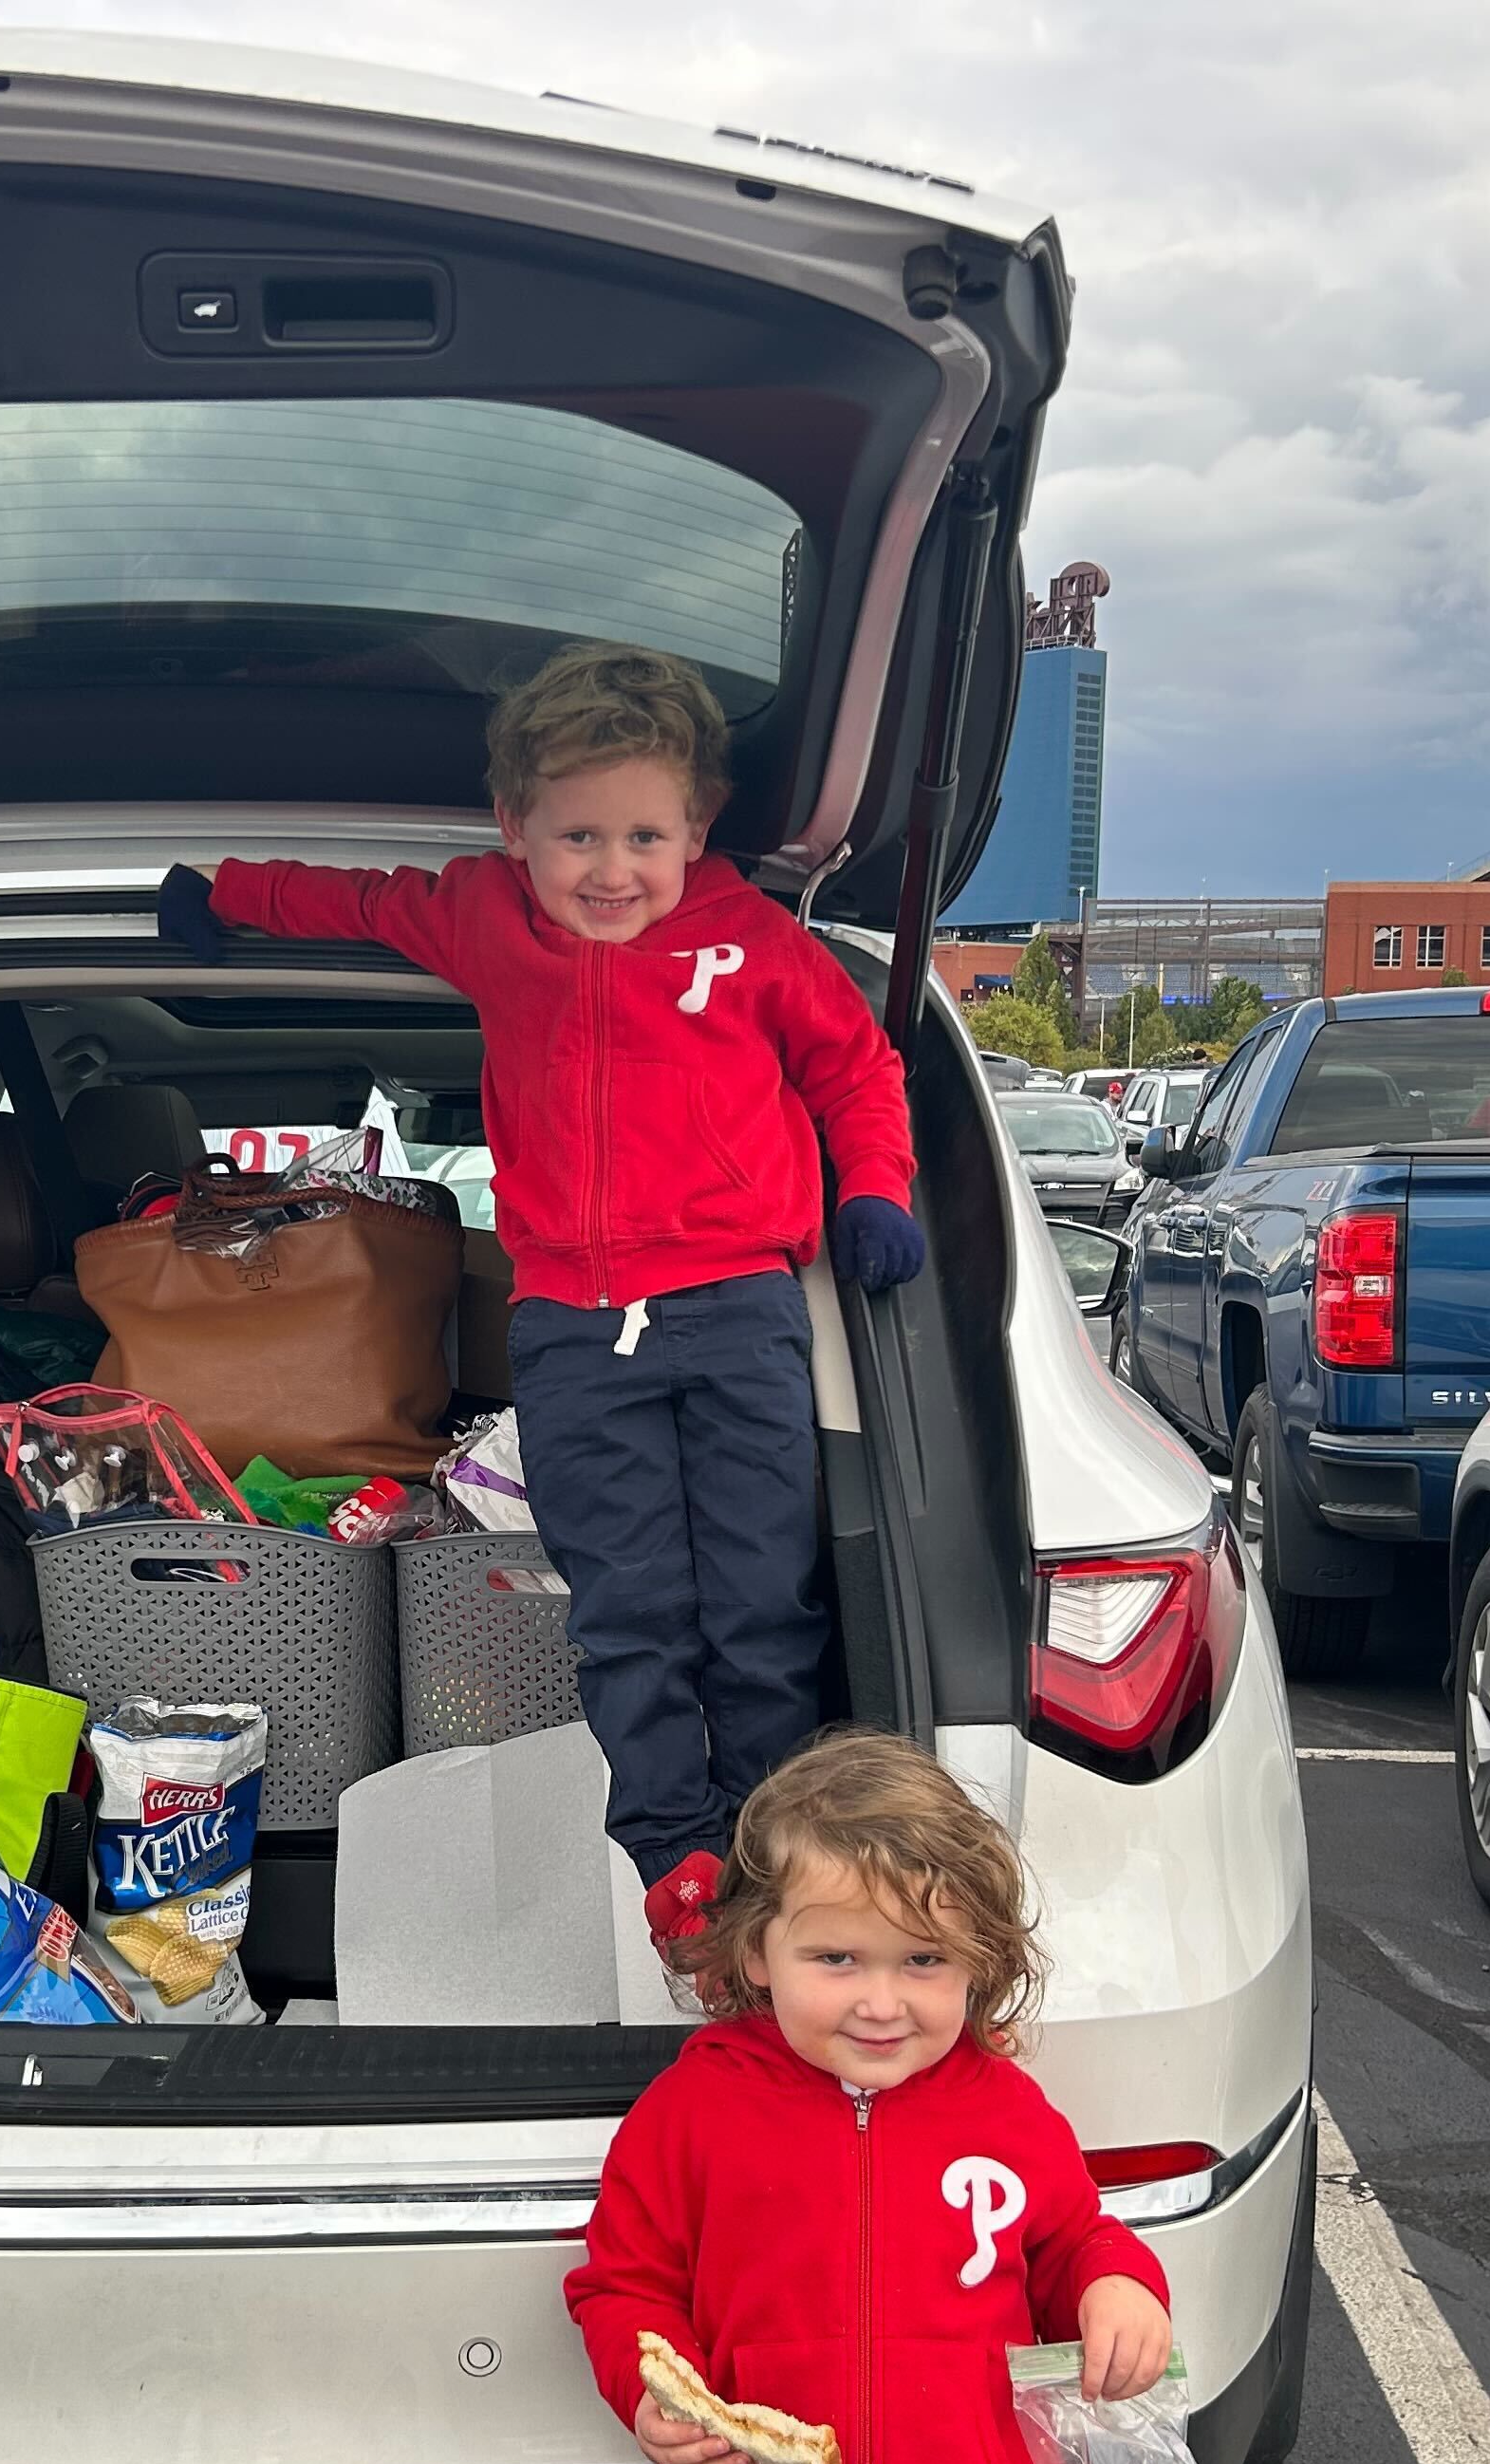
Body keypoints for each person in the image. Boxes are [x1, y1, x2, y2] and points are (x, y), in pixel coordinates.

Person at [158, 643, 924, 1948]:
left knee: (758, 1602)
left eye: (645, 834)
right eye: (578, 835)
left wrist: (879, 1194)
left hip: (740, 1308)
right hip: (571, 1328)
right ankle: (674, 1857)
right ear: (516, 830)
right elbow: (357, 901)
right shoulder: (481, 914)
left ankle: (775, 1843)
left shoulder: (754, 943)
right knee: (628, 1609)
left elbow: (858, 1072)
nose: (612, 869)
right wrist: (225, 890)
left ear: (698, 828)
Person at [562, 1731, 1173, 2464]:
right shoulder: (696, 2113)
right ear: (755, 1952)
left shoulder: (1006, 2114)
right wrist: (647, 2381)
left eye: (924, 1963)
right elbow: (623, 2281)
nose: (882, 2002)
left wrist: (1119, 2287)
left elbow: (1072, 2241)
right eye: (836, 1959)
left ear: (982, 1963)